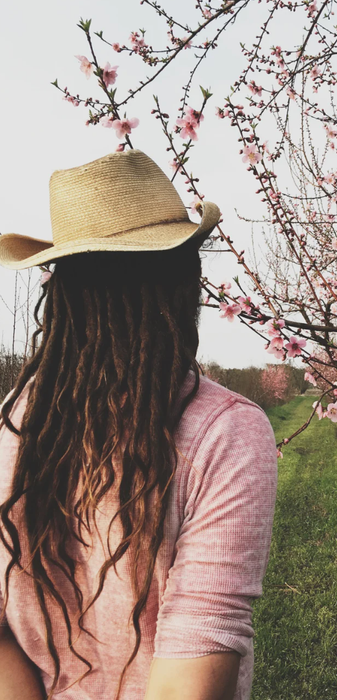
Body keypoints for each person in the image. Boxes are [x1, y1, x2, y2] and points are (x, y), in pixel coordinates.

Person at [0, 150, 278, 700]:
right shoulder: (227, 434)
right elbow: (194, 669)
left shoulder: (9, 427)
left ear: (63, 293)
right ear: (182, 282)